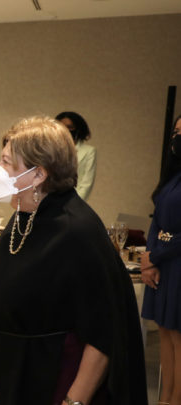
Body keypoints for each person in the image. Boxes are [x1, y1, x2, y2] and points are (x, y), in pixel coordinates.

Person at [0, 116, 146, 405]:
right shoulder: (25, 216)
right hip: (14, 373)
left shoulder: (77, 230)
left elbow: (104, 334)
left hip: (53, 380)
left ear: (38, 175)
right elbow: (4, 306)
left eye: (6, 162)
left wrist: (73, 402)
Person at [141, 115, 181, 405]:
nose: (178, 138)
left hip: (178, 264)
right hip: (164, 263)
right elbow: (157, 220)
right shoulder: (174, 174)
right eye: (176, 132)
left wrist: (154, 255)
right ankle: (164, 399)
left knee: (178, 338)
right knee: (165, 333)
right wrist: (149, 258)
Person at [55, 111, 96, 201]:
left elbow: (86, 183)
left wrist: (74, 203)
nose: (65, 130)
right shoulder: (50, 149)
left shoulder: (88, 151)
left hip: (74, 200)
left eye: (70, 127)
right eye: (62, 127)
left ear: (78, 129)